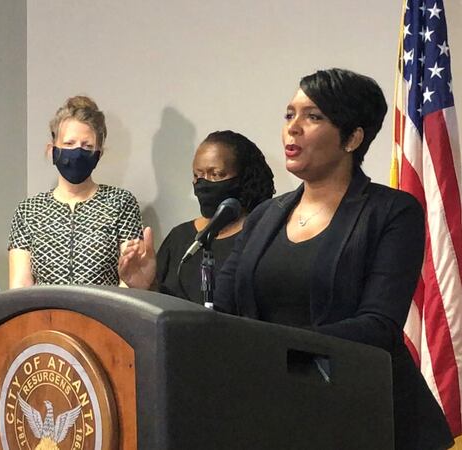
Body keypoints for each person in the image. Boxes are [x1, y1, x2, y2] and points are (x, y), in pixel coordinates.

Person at [214, 68, 453, 449]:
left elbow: (377, 325)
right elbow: (222, 314)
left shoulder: (391, 212)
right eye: (289, 114)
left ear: (352, 138)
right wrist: (150, 289)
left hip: (367, 418)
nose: (293, 128)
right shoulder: (263, 217)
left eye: (313, 116)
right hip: (275, 416)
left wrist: (271, 347)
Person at [8, 95, 152, 288]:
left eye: (87, 146)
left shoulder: (121, 203)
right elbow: (20, 288)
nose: (77, 151)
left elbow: (130, 278)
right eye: (69, 144)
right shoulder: (28, 211)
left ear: (99, 153)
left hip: (104, 316)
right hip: (44, 317)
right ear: (52, 150)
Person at [156, 130, 274, 304]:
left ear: (244, 177)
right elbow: (158, 301)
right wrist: (145, 284)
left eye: (216, 174)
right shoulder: (179, 237)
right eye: (197, 175)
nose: (203, 183)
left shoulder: (260, 236)